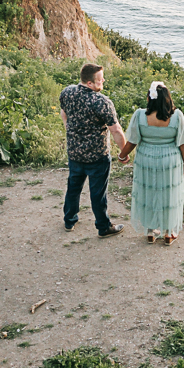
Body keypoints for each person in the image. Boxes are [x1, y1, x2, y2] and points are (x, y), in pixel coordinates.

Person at [59, 63, 126, 237]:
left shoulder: (67, 92)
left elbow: (63, 113)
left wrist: (70, 130)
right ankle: (103, 227)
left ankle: (69, 221)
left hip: (74, 152)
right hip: (97, 156)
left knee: (73, 188)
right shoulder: (101, 102)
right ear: (90, 83)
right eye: (100, 79)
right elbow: (116, 130)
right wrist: (124, 152)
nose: (103, 80)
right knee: (98, 193)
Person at [118, 81, 184, 245]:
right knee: (169, 194)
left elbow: (132, 141)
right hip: (169, 160)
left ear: (149, 98)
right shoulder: (177, 116)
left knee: (148, 192)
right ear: (167, 99)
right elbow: (183, 143)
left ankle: (150, 231)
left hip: (146, 159)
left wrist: (122, 155)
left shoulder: (140, 115)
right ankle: (168, 233)